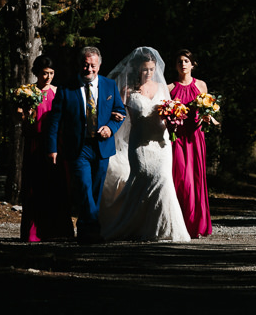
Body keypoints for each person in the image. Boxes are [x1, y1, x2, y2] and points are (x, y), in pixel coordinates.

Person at [99, 47, 190, 242]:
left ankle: (166, 228)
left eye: (151, 69)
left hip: (161, 142)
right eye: (145, 69)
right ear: (138, 69)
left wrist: (173, 117)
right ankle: (137, 225)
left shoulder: (162, 87)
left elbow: (170, 111)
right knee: (141, 178)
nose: (148, 73)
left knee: (164, 179)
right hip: (140, 143)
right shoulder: (127, 91)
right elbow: (123, 118)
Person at [45, 46, 126, 244]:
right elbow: (55, 120)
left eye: (93, 65)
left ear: (99, 65)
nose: (89, 69)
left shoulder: (109, 85)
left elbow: (119, 112)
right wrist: (52, 148)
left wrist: (110, 128)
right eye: (85, 65)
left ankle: (84, 229)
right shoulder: (66, 88)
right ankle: (92, 229)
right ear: (79, 65)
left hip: (102, 146)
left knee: (96, 190)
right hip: (77, 148)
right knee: (83, 187)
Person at [20, 56, 74, 242]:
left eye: (51, 73)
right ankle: (34, 232)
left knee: (56, 185)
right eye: (45, 73)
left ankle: (58, 230)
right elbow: (23, 124)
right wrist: (26, 115)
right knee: (35, 186)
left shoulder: (58, 92)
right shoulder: (27, 92)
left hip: (55, 144)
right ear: (37, 73)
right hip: (35, 142)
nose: (48, 77)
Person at [168, 49, 217, 238]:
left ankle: (197, 224)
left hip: (196, 136)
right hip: (177, 138)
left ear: (193, 64)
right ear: (175, 65)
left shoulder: (201, 85)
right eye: (179, 61)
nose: (183, 64)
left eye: (186, 61)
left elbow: (208, 110)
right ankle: (180, 224)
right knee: (181, 178)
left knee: (196, 178)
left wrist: (208, 118)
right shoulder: (170, 87)